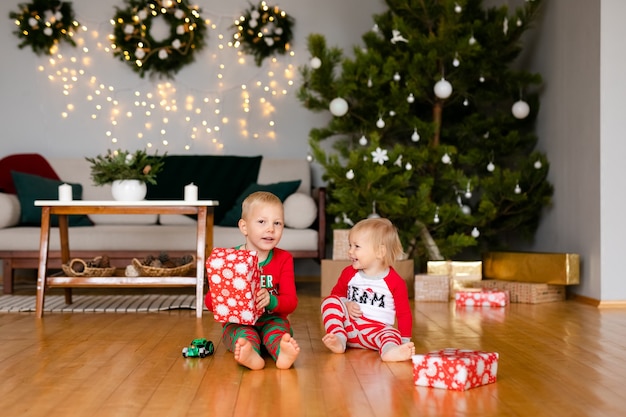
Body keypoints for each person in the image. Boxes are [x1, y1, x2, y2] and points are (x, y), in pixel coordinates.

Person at [205, 191, 300, 370]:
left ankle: (282, 352)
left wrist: (271, 301)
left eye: (277, 223)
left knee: (278, 331)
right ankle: (251, 355)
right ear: (244, 227)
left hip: (271, 319)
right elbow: (210, 302)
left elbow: (291, 302)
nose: (271, 229)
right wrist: (221, 296)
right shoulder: (230, 260)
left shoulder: (284, 258)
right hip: (238, 322)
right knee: (241, 335)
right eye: (262, 222)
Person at [321, 217, 415, 362]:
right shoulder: (349, 273)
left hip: (377, 332)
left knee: (391, 335)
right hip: (349, 329)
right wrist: (346, 303)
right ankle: (339, 339)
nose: (350, 251)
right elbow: (336, 295)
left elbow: (404, 314)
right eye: (350, 245)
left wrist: (404, 341)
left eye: (356, 246)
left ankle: (390, 351)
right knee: (329, 301)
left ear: (379, 252)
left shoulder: (395, 282)